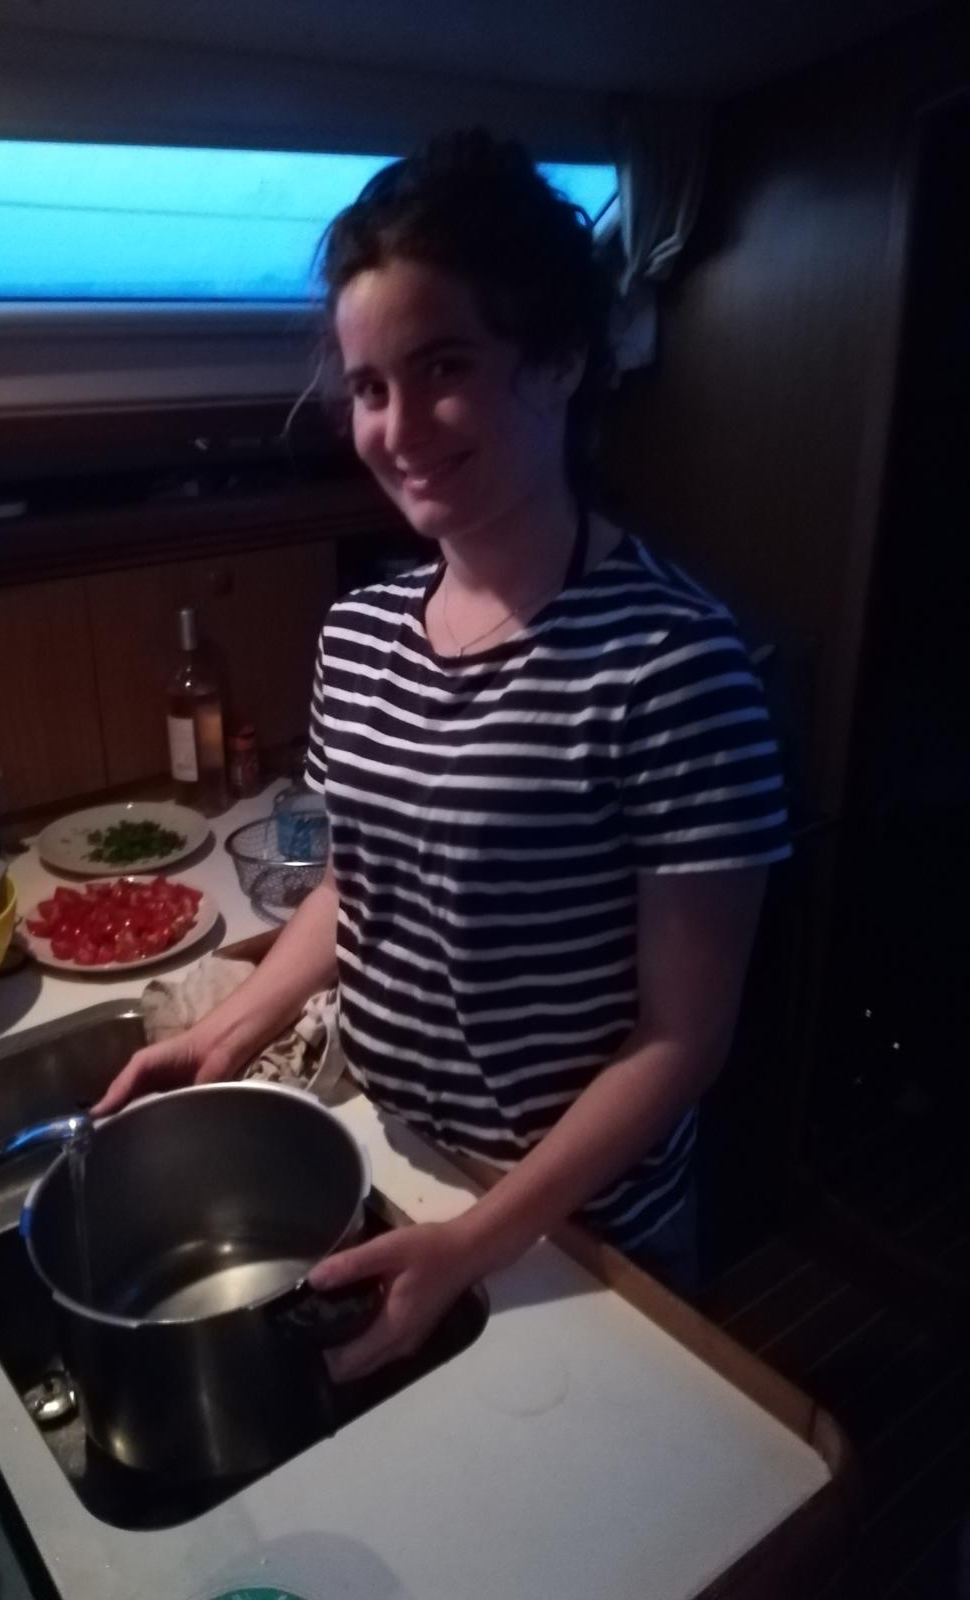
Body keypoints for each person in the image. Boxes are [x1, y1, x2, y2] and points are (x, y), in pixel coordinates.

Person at [95, 130, 791, 1379]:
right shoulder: (360, 633)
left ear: (561, 361)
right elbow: (357, 887)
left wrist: (479, 1239)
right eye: (370, 386)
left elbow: (684, 1039)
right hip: (399, 1163)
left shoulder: (675, 664)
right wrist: (236, 1026)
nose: (398, 426)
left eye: (444, 367)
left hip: (577, 1230)